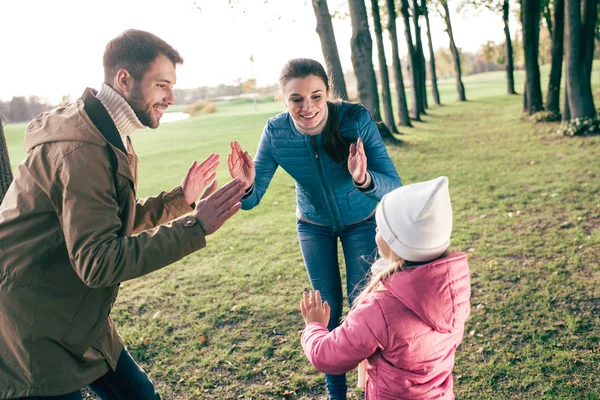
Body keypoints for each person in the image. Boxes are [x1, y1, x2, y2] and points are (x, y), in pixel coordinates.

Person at [0, 29, 246, 400]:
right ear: (124, 79)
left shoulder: (104, 129)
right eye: (162, 85)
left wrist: (181, 200)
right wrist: (195, 226)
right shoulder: (83, 150)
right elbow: (98, 262)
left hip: (79, 311)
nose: (171, 97)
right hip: (36, 322)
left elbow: (104, 220)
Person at [228, 58, 402, 399]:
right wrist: (245, 185)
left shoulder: (354, 119)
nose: (307, 107)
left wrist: (363, 179)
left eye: (316, 97)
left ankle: (373, 391)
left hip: (361, 221)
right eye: (296, 99)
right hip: (313, 226)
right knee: (327, 313)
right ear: (283, 99)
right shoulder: (276, 133)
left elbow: (393, 185)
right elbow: (251, 200)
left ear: (328, 94)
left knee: (363, 308)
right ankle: (336, 395)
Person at [300, 176, 472, 400]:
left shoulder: (380, 309)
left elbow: (326, 356)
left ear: (398, 243)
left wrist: (314, 325)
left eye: (380, 229)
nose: (376, 233)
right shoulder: (454, 288)